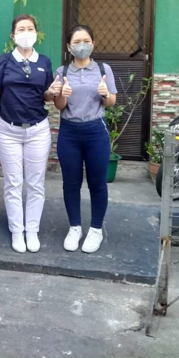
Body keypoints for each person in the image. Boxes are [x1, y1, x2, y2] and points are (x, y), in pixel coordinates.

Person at [0, 14, 62, 253]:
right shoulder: (5, 61)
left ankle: (32, 230)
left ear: (36, 33)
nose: (26, 33)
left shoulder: (44, 62)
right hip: (9, 131)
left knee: (36, 184)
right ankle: (18, 231)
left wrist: (52, 91)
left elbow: (46, 96)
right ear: (13, 35)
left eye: (30, 29)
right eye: (21, 29)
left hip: (38, 130)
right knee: (13, 183)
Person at [53, 25, 117, 254]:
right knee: (71, 183)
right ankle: (75, 227)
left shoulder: (103, 69)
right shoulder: (62, 72)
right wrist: (62, 96)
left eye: (86, 40)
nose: (82, 45)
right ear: (69, 47)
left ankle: (96, 229)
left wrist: (105, 94)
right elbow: (58, 106)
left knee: (97, 184)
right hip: (69, 133)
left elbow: (111, 102)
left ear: (93, 43)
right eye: (77, 42)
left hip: (95, 132)